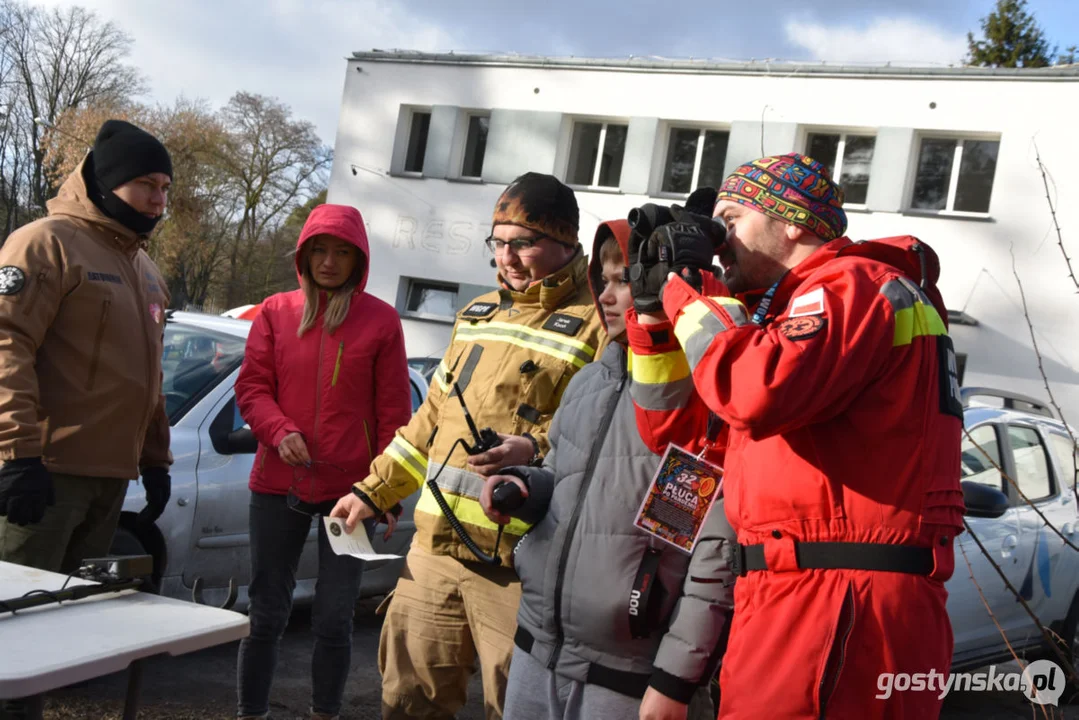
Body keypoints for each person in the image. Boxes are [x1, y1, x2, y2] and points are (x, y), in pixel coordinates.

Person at [627, 153, 965, 719]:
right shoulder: (781, 315)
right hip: (801, 588)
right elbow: (678, 435)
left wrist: (692, 293)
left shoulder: (850, 284)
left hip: (838, 596)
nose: (719, 240)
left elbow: (756, 391)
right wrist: (654, 320)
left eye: (731, 219)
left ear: (794, 222)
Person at [329, 172, 606, 720]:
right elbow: (432, 419)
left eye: (522, 243)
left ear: (567, 242)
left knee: (520, 709)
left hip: (522, 563)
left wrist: (532, 448)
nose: (506, 257)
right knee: (407, 702)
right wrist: (374, 491)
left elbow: (601, 434)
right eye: (497, 243)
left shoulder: (599, 326)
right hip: (434, 553)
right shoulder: (475, 315)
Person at [479, 218, 732, 720]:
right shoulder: (587, 381)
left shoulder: (696, 400)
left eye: (627, 280)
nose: (611, 296)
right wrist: (526, 485)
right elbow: (567, 480)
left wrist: (674, 680)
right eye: (605, 280)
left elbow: (709, 555)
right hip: (535, 646)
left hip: (626, 677)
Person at [233, 203, 413, 720]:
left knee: (334, 618)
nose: (329, 261)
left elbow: (393, 413)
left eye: (341, 252)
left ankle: (325, 713)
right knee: (265, 611)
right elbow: (252, 387)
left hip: (349, 496)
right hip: (277, 483)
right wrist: (278, 429)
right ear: (303, 254)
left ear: (358, 260)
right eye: (319, 250)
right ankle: (251, 712)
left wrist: (384, 490)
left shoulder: (381, 320)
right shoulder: (275, 311)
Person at [0, 119, 173, 573]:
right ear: (107, 182)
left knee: (74, 627)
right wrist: (17, 455)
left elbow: (150, 373)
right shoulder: (47, 243)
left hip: (111, 480)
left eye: (165, 187)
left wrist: (155, 458)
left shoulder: (146, 269)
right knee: (18, 622)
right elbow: (6, 345)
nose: (159, 200)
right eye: (146, 184)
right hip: (44, 474)